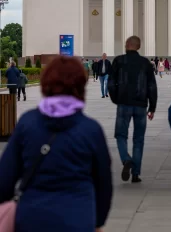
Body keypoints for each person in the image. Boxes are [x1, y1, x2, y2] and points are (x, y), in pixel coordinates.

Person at [0, 55, 112, 231]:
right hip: (78, 218)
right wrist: (98, 221)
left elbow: (5, 178)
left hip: (32, 218)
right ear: (81, 86)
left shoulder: (27, 124)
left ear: (45, 84)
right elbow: (104, 183)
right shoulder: (91, 130)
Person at [108, 35, 157, 183]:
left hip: (124, 104)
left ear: (126, 45)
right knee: (139, 139)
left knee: (121, 135)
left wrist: (116, 99)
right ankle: (135, 174)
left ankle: (126, 159)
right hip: (141, 105)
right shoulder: (145, 63)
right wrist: (152, 107)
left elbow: (111, 83)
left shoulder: (119, 61)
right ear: (139, 46)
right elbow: (152, 87)